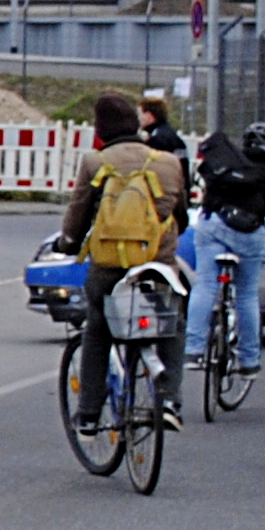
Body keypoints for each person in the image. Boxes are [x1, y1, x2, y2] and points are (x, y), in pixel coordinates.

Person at [61, 91, 189, 434]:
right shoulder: (167, 163)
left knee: (98, 327)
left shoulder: (94, 162)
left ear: (101, 129)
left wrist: (68, 242)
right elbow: (182, 215)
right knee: (172, 323)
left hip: (110, 268)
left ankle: (88, 412)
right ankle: (171, 400)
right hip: (156, 266)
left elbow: (79, 213)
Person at [185, 118, 265, 385]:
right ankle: (249, 361)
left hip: (214, 227)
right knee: (247, 295)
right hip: (248, 234)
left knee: (205, 285)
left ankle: (193, 351)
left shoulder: (225, 162)